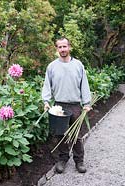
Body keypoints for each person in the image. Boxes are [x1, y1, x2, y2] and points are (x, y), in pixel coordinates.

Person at [42, 37, 91, 173]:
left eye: (65, 46)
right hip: (59, 106)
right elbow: (47, 85)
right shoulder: (52, 66)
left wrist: (86, 103)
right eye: (60, 47)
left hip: (75, 105)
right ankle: (63, 159)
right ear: (57, 49)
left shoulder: (78, 65)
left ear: (69, 47)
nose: (63, 49)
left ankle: (79, 161)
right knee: (61, 135)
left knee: (76, 135)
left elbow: (84, 85)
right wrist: (46, 101)